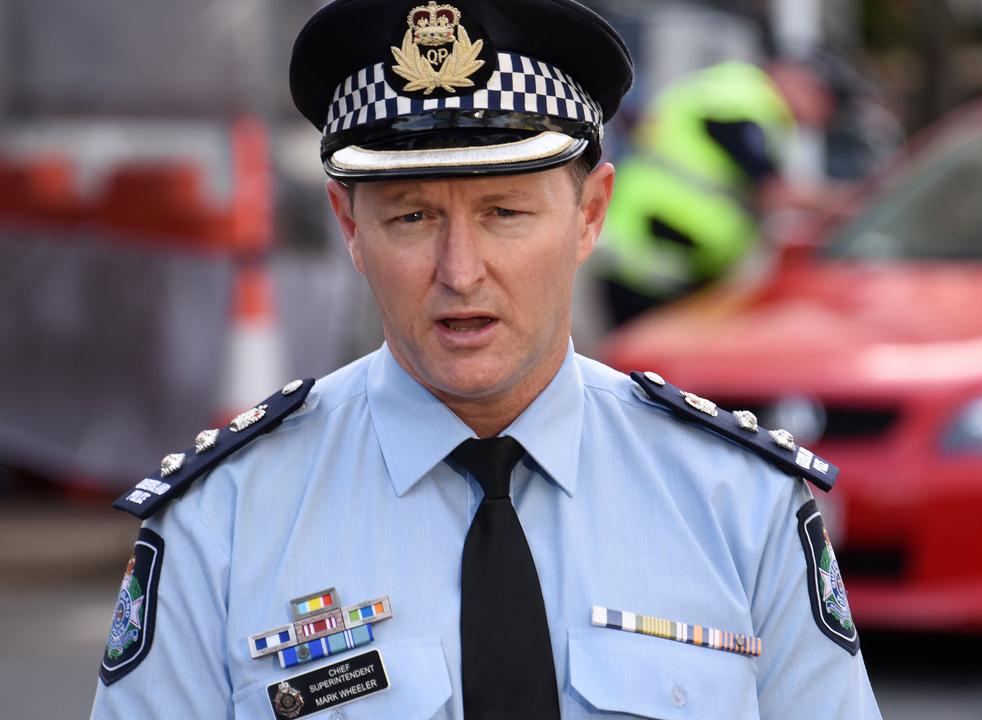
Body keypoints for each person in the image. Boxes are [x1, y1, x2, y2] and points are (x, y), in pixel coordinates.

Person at [90, 1, 881, 718]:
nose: (460, 271)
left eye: (504, 212)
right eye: (411, 216)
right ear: (349, 225)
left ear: (591, 213)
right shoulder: (222, 521)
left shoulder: (737, 506)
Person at [595, 56, 850, 327]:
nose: (822, 119)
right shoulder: (743, 100)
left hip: (670, 260)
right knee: (648, 358)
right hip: (651, 262)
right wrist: (844, 204)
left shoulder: (750, 100)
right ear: (804, 83)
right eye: (826, 105)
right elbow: (774, 191)